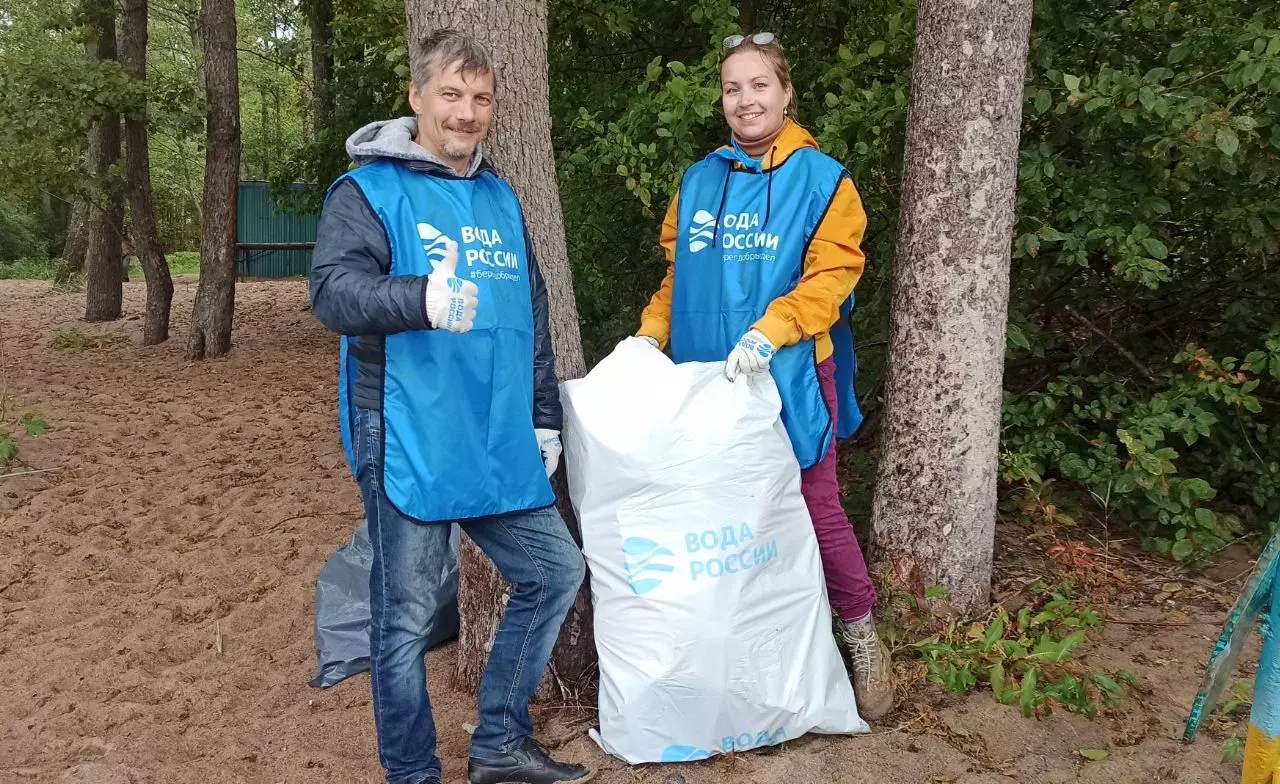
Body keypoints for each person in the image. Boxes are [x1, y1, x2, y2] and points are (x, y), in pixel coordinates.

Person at [309, 29, 592, 784]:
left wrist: (543, 417)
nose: (467, 113)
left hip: (493, 429)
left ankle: (498, 744)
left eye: (481, 98)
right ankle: (411, 773)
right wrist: (419, 297)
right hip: (404, 427)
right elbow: (332, 293)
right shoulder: (365, 192)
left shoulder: (500, 197)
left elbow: (528, 317)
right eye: (452, 95)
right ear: (417, 97)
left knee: (554, 569)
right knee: (401, 619)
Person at [634, 31, 894, 721]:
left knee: (816, 502)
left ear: (785, 92)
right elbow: (676, 277)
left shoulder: (825, 181)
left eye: (759, 85)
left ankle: (860, 631)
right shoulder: (699, 180)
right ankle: (750, 654)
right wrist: (647, 337)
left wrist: (770, 330)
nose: (745, 100)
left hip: (791, 372)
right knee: (722, 516)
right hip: (708, 379)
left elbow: (833, 277)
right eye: (732, 88)